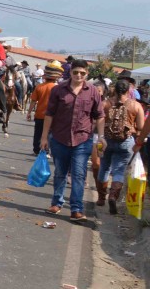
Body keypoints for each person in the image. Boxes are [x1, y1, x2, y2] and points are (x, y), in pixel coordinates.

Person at [40, 59, 104, 222]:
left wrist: (101, 137)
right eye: (75, 72)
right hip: (59, 138)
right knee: (60, 173)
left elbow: (100, 115)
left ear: (87, 74)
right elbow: (49, 114)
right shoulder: (58, 90)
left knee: (79, 174)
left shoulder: (93, 92)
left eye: (82, 73)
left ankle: (76, 209)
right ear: (70, 72)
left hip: (83, 140)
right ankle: (56, 203)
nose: (78, 75)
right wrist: (44, 137)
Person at [97, 77, 145, 214]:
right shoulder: (136, 106)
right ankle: (113, 196)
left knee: (104, 167)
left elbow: (98, 120)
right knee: (119, 170)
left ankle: (101, 198)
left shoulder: (105, 103)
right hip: (126, 142)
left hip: (106, 141)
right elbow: (141, 126)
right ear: (129, 90)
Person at [27, 60, 63, 155]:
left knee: (38, 133)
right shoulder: (59, 88)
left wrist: (29, 112)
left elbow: (33, 101)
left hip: (39, 114)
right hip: (53, 116)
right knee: (49, 134)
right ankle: (46, 150)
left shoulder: (39, 87)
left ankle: (36, 149)